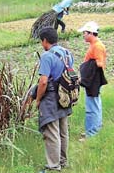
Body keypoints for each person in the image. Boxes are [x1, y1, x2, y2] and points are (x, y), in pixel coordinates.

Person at [35, 27, 73, 172]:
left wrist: (38, 99)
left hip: (51, 97)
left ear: (45, 40)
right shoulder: (67, 53)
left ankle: (53, 166)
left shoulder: (46, 56)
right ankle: (63, 162)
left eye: (41, 41)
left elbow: (43, 81)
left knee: (51, 133)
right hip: (65, 95)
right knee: (63, 131)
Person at [78, 21, 107, 140]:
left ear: (90, 33)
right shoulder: (94, 45)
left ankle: (92, 133)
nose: (83, 35)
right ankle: (93, 129)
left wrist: (87, 71)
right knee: (94, 105)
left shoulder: (97, 46)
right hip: (92, 79)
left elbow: (99, 64)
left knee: (92, 107)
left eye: (84, 33)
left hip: (93, 80)